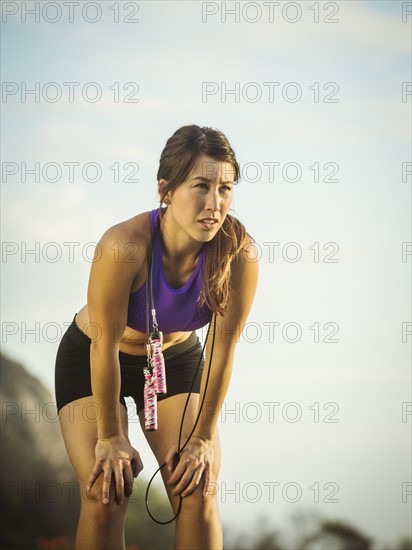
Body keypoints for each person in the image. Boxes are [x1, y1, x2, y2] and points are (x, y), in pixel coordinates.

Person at [54, 124, 259, 550]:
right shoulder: (124, 246)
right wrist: (111, 437)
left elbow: (222, 354)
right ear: (166, 190)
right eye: (200, 186)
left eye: (225, 188)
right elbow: (102, 346)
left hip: (175, 359)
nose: (214, 203)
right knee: (106, 489)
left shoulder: (238, 254)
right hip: (94, 356)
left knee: (198, 487)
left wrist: (201, 439)